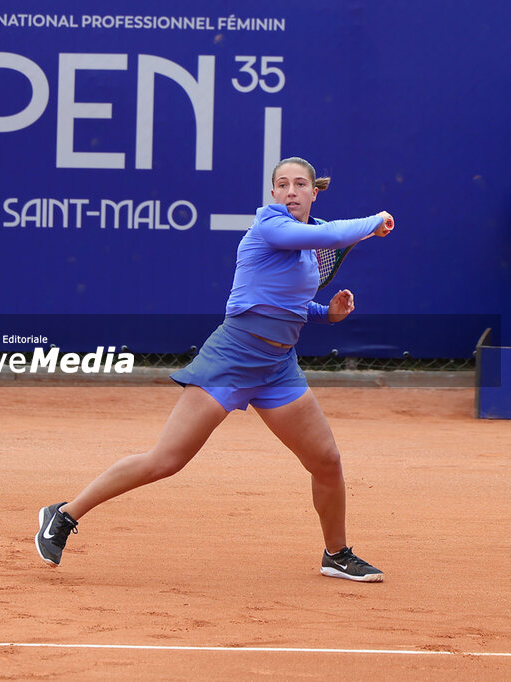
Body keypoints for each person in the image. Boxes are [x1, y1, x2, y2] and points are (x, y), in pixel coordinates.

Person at [35, 157, 394, 582]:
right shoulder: (270, 227)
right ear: (274, 194)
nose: (292, 191)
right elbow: (332, 233)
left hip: (278, 368)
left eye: (301, 184)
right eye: (283, 184)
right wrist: (374, 222)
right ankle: (64, 514)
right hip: (230, 359)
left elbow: (291, 304)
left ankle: (336, 553)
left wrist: (328, 315)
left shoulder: (308, 249)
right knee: (165, 460)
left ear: (315, 192)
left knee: (327, 461)